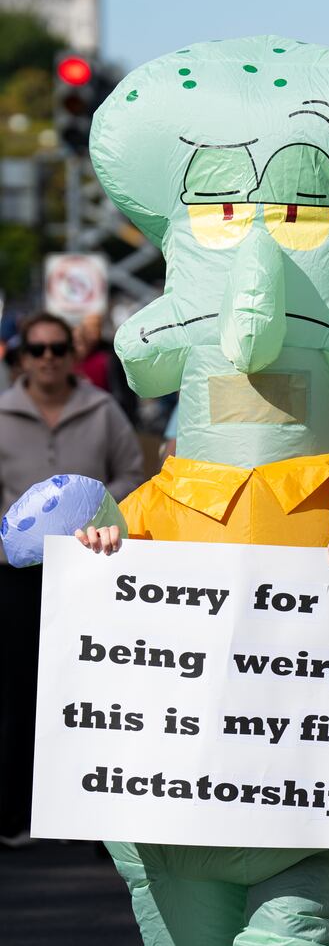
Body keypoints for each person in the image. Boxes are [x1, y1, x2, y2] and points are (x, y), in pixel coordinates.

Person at [0, 311, 144, 845]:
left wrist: (99, 509)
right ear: (21, 357)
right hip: (15, 576)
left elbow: (133, 470)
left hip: (90, 569)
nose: (48, 358)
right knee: (20, 692)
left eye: (58, 348)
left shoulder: (102, 408)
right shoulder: (2, 411)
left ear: (71, 354)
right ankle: (14, 814)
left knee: (95, 691)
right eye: (36, 350)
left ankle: (96, 817)